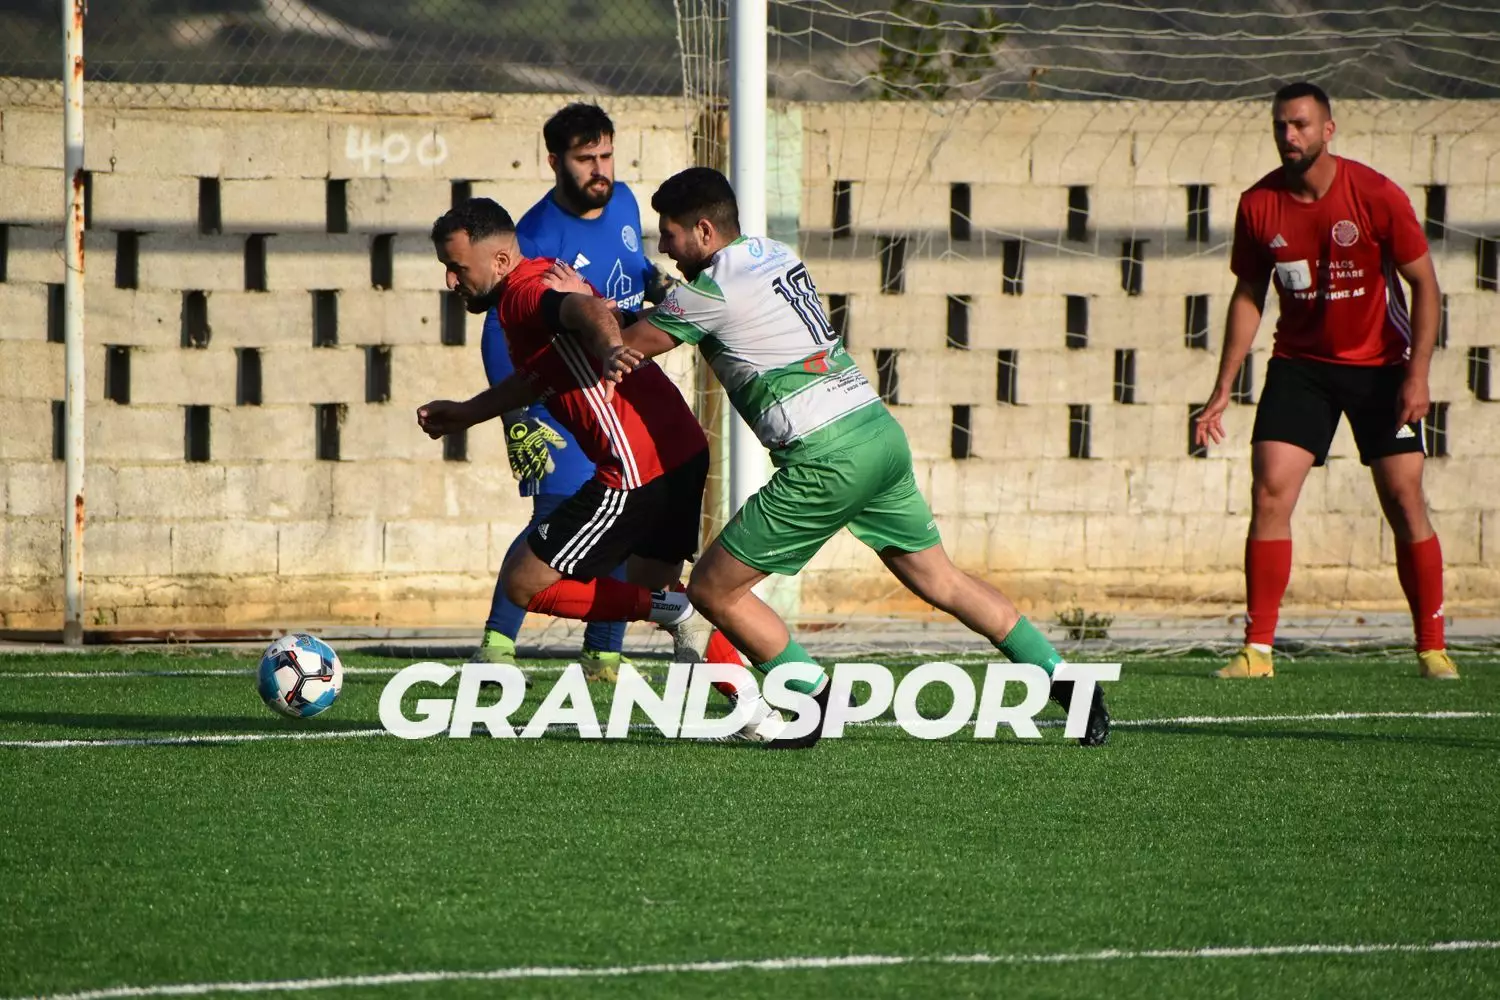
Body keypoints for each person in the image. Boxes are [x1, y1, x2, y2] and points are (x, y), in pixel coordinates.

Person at [558, 167, 1110, 749]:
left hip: (825, 457)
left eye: (669, 236)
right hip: (876, 433)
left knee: (713, 590)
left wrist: (580, 302)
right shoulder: (773, 254)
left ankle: (814, 701)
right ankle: (1066, 680)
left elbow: (628, 348)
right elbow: (703, 309)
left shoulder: (711, 291)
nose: (664, 249)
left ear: (702, 231)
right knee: (942, 579)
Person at [419, 197, 784, 741]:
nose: (452, 280)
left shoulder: (523, 293)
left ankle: (676, 612)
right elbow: (540, 375)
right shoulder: (542, 278)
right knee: (656, 585)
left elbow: (582, 312)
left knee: (525, 584)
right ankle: (755, 715)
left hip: (635, 469)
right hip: (681, 449)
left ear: (498, 261)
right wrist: (469, 412)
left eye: (457, 266)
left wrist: (612, 346)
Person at [1193, 81, 1458, 681]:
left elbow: (1425, 284)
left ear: (1328, 130)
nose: (1289, 135)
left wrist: (1418, 375)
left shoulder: (1374, 193)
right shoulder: (1258, 204)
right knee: (1269, 491)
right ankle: (1257, 651)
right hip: (1301, 366)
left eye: (1301, 124)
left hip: (1382, 366)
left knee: (1404, 498)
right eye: (1281, 126)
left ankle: (1432, 647)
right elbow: (1248, 295)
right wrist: (1222, 387)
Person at [474, 103, 672, 680]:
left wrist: (663, 286)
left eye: (606, 155)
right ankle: (496, 647)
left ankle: (603, 655)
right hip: (556, 401)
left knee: (623, 518)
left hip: (617, 394)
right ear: (554, 162)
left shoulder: (627, 202)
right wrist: (517, 415)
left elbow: (635, 268)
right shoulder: (537, 234)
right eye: (586, 159)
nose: (600, 169)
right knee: (558, 521)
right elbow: (499, 326)